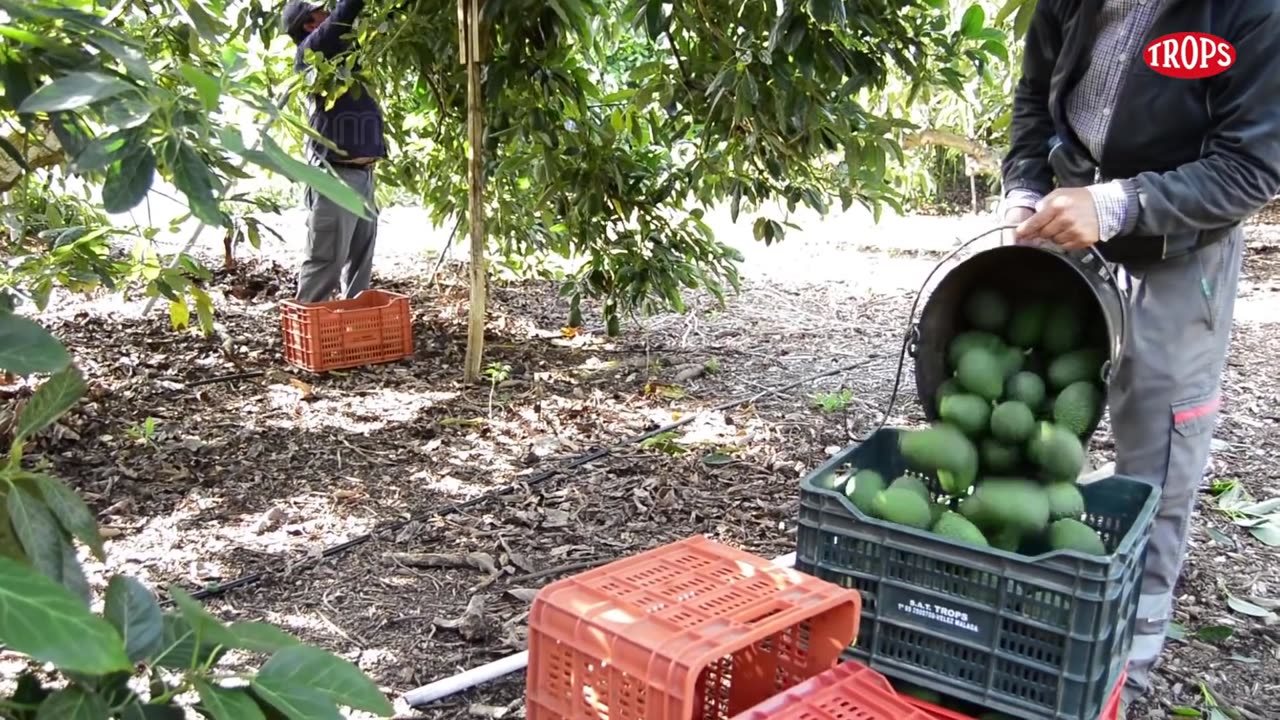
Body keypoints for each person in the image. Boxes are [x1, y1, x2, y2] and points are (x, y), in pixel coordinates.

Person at [997, 0, 1280, 712]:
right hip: (1071, 235)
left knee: (1157, 467)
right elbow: (1034, 101)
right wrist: (1022, 196)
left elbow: (1251, 169)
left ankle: (1130, 666)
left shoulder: (1249, 12)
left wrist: (1117, 204)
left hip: (1178, 251)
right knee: (1027, 418)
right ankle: (1033, 600)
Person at [281, 0, 387, 302]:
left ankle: (353, 335)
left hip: (361, 175)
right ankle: (312, 338)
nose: (328, 12)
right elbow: (347, 11)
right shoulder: (311, 51)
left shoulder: (340, 59)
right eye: (321, 11)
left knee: (359, 262)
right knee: (326, 260)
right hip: (335, 175)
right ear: (309, 24)